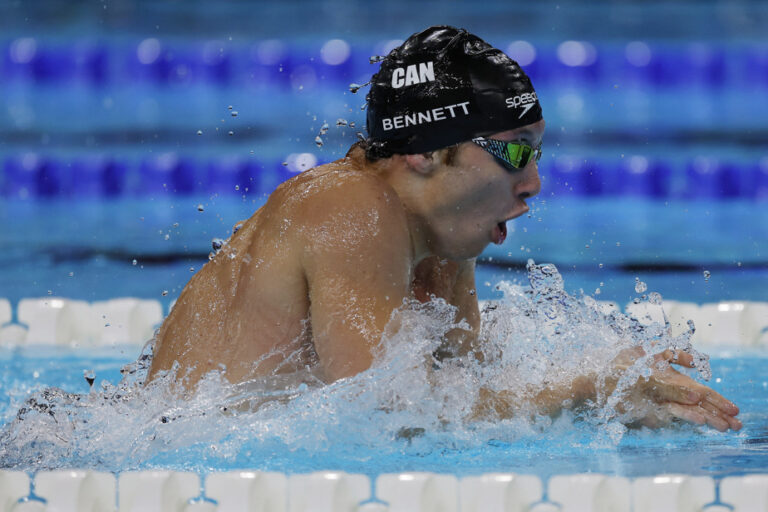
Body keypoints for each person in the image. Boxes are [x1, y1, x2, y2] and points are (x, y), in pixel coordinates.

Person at [147, 26, 741, 431]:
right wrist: (581, 389)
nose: (533, 182)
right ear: (425, 153)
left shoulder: (437, 242)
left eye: (537, 155)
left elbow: (463, 403)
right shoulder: (348, 208)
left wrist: (614, 397)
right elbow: (381, 417)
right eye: (514, 153)